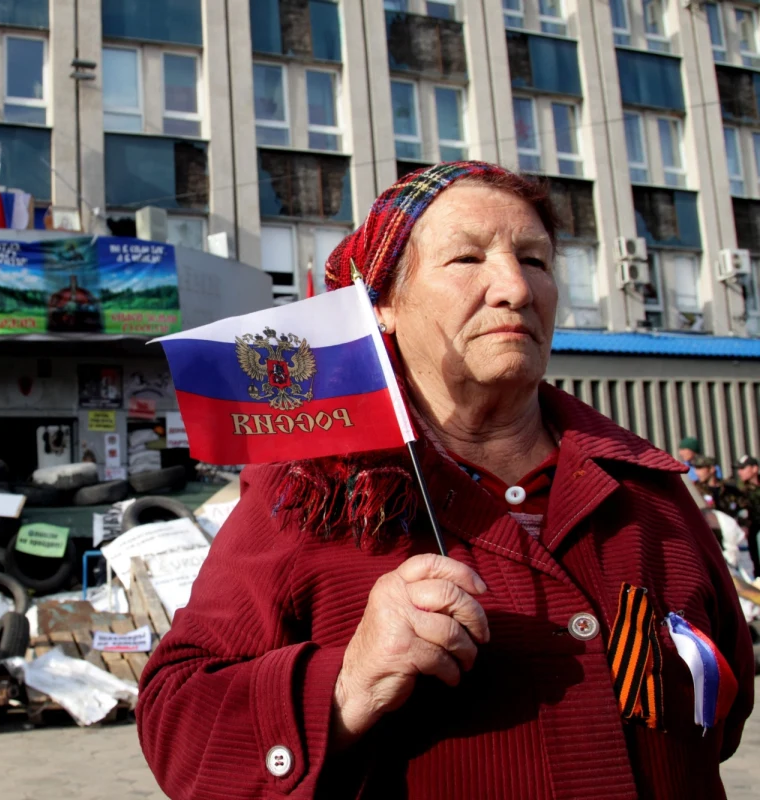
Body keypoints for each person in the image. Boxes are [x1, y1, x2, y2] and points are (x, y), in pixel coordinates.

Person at [137, 162, 752, 799]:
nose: (515, 287)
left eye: (536, 261)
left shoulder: (647, 488)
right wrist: (351, 681)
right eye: (466, 258)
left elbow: (724, 712)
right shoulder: (310, 491)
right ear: (384, 305)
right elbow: (176, 723)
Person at [732, 454, 760, 577]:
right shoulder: (737, 489)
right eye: (738, 469)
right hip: (748, 533)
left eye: (743, 468)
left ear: (754, 469)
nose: (739, 472)